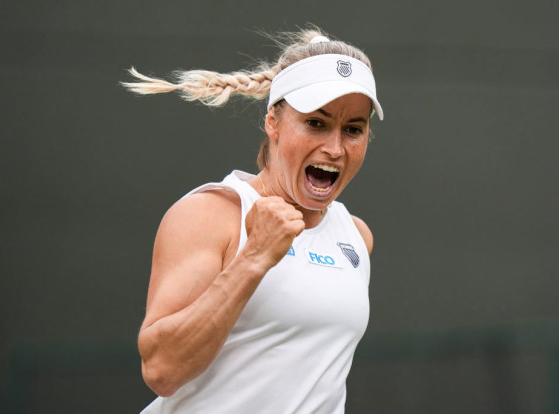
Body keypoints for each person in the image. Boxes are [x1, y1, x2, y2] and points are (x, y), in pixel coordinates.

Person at [122, 26, 384, 413]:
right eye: (316, 123)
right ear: (273, 123)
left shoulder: (357, 237)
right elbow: (161, 370)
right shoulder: (210, 213)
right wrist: (255, 257)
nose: (334, 148)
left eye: (353, 130)